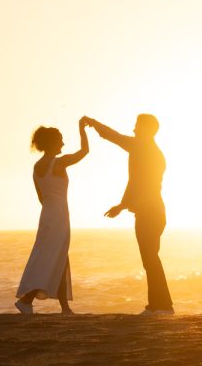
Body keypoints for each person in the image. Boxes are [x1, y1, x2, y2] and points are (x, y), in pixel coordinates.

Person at [83, 113, 173, 315]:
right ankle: (157, 305)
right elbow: (138, 183)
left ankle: (163, 306)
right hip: (150, 211)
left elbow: (115, 137)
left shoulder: (144, 148)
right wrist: (123, 205)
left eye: (137, 126)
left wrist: (95, 123)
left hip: (151, 212)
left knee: (150, 259)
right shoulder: (146, 150)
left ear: (147, 130)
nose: (134, 130)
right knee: (150, 259)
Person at [15, 120, 89, 315]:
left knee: (57, 257)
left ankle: (64, 307)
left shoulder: (37, 166)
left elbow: (41, 196)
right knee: (53, 257)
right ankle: (26, 300)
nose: (63, 144)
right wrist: (82, 129)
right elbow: (84, 152)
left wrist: (51, 210)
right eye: (60, 140)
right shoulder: (59, 162)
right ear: (52, 143)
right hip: (59, 215)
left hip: (47, 214)